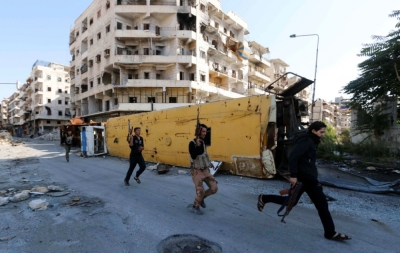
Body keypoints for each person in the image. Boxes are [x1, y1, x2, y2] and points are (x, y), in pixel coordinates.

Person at [257, 121, 351, 241]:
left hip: (310, 179)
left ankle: (330, 233)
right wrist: (293, 175)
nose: (323, 134)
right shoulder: (306, 141)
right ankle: (264, 198)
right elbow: (293, 157)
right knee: (292, 202)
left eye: (324, 132)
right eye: (321, 132)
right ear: (313, 131)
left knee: (322, 205)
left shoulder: (313, 141)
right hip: (301, 178)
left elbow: (307, 161)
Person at [188, 124, 218, 215]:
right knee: (200, 191)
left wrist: (209, 163)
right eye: (203, 131)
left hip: (205, 170)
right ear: (199, 132)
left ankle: (201, 199)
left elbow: (204, 155)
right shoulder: (192, 143)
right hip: (197, 171)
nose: (205, 133)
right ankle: (195, 206)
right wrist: (197, 146)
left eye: (206, 131)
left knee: (214, 188)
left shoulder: (204, 143)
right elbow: (193, 156)